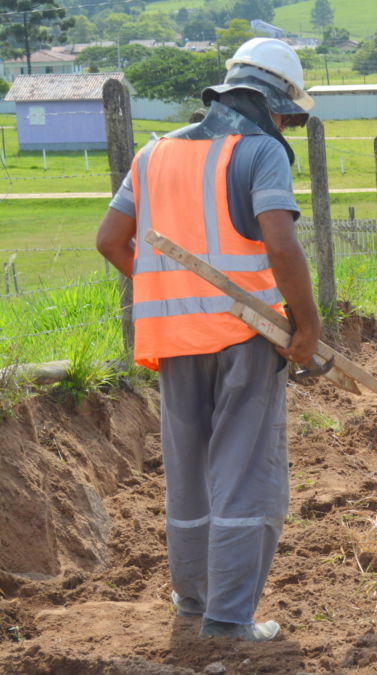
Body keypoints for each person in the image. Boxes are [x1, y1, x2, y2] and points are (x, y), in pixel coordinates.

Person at [95, 38, 321, 642]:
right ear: (272, 104)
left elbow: (111, 241)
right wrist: (307, 323)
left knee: (190, 475)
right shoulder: (261, 151)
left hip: (172, 339)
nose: (284, 126)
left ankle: (193, 604)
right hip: (244, 337)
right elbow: (280, 242)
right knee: (246, 473)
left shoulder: (153, 155)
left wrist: (173, 293)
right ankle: (227, 622)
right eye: (285, 116)